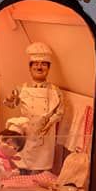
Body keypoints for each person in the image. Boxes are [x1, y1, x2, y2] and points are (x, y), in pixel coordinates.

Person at [5, 42, 63, 172]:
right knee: (22, 167)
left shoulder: (55, 90)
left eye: (43, 64)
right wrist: (9, 99)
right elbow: (11, 105)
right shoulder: (21, 88)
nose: (39, 67)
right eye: (36, 64)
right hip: (26, 132)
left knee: (41, 171)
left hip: (45, 136)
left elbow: (59, 113)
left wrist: (47, 125)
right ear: (30, 68)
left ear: (48, 68)